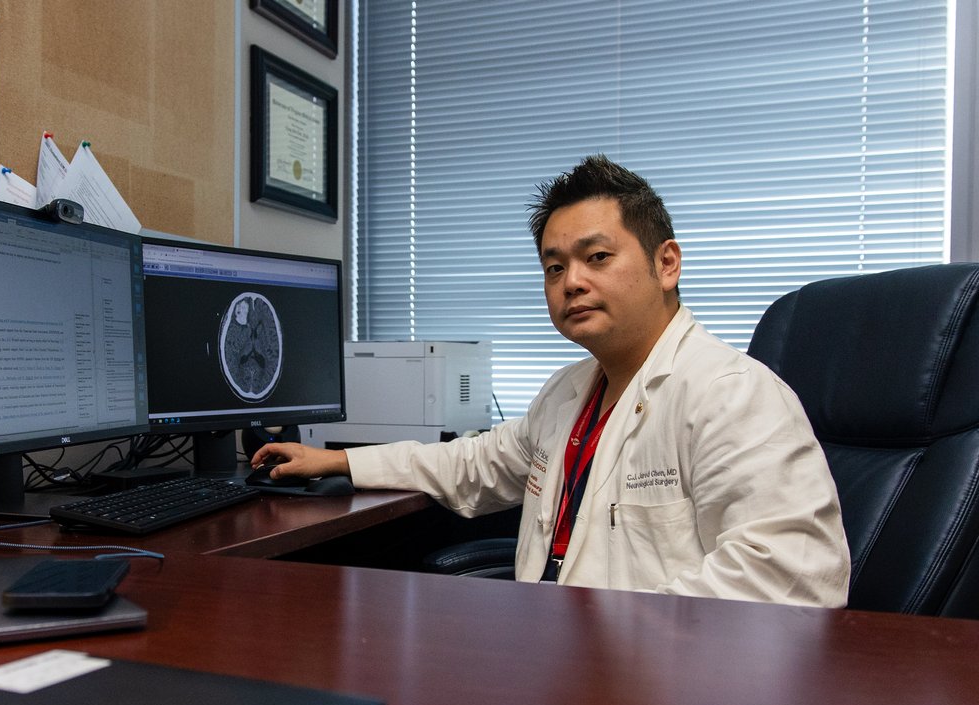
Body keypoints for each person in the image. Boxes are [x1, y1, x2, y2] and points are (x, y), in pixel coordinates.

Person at [252, 154, 850, 606]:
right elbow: (472, 464)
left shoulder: (732, 394)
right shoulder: (570, 391)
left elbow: (791, 580)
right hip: (562, 664)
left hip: (670, 691)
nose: (572, 282)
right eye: (554, 267)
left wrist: (615, 646)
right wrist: (338, 462)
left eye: (597, 258)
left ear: (666, 263)